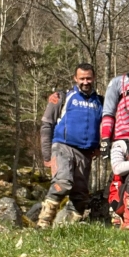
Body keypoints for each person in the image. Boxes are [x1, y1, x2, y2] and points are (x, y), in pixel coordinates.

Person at [37, 63, 103, 228]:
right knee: (63, 182)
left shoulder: (100, 102)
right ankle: (43, 224)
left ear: (94, 78)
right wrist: (46, 155)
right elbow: (46, 124)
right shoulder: (63, 97)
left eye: (89, 78)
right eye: (82, 78)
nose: (86, 82)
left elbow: (107, 127)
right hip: (62, 147)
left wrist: (100, 147)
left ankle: (66, 229)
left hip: (86, 153)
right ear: (75, 78)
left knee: (80, 195)